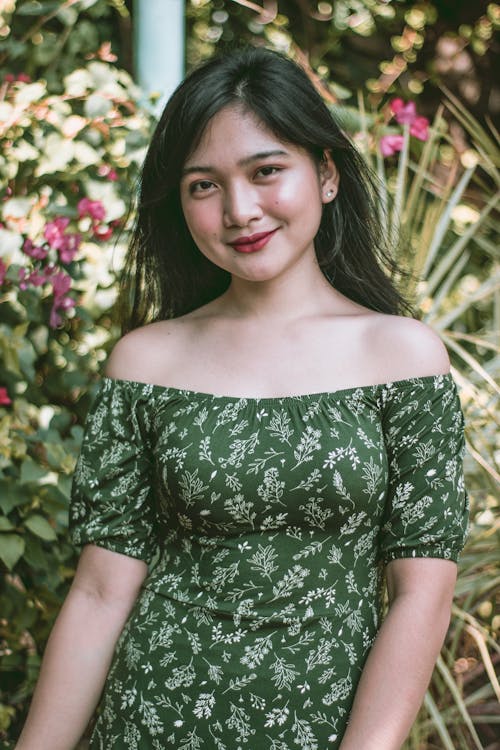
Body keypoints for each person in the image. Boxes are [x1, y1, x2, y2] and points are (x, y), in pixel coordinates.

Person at [16, 47, 469, 750]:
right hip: (148, 723)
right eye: (204, 186)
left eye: (266, 172)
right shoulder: (146, 362)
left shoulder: (403, 357)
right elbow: (101, 593)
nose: (239, 210)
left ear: (324, 174)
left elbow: (423, 593)